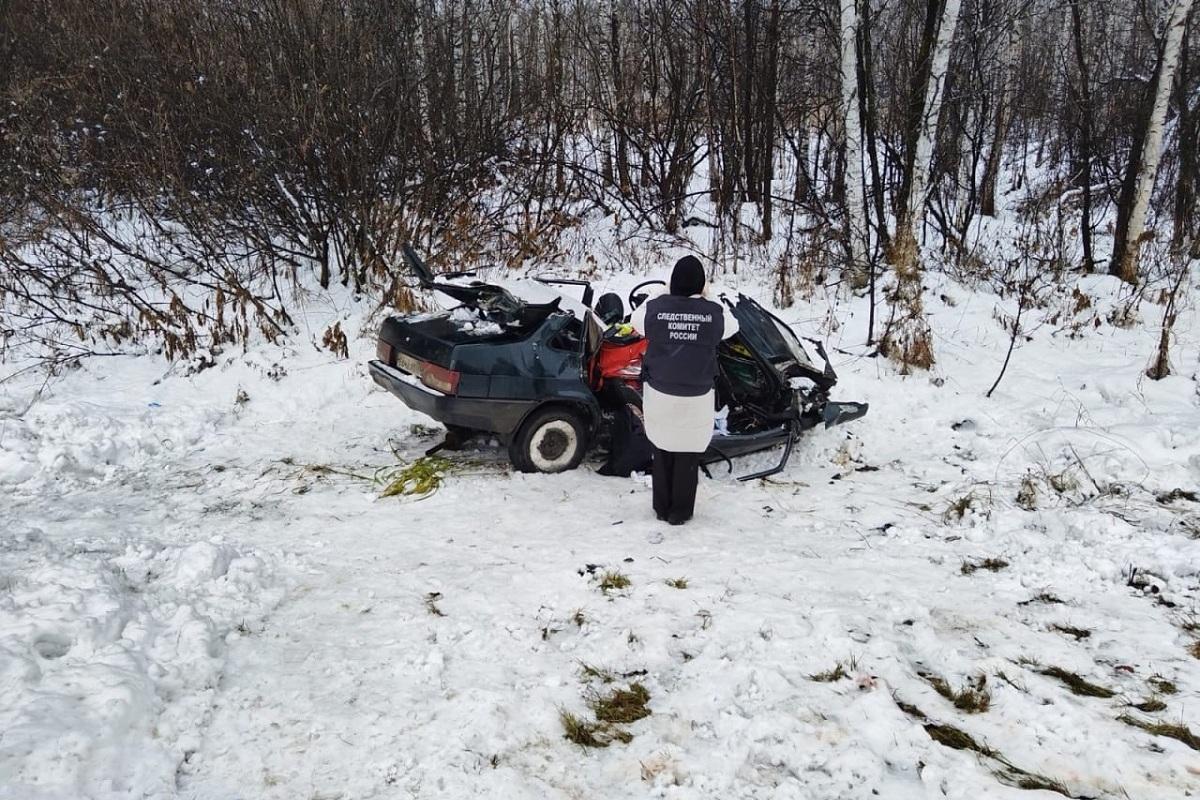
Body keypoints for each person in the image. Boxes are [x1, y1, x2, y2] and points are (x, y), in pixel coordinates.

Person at [631, 255, 737, 525]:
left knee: (663, 447)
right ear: (702, 285)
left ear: (673, 282)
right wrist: (708, 298)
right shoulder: (713, 314)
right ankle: (680, 511)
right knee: (688, 451)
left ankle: (661, 507)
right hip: (697, 397)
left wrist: (663, 291)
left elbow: (636, 319)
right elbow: (733, 325)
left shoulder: (655, 309)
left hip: (660, 394)